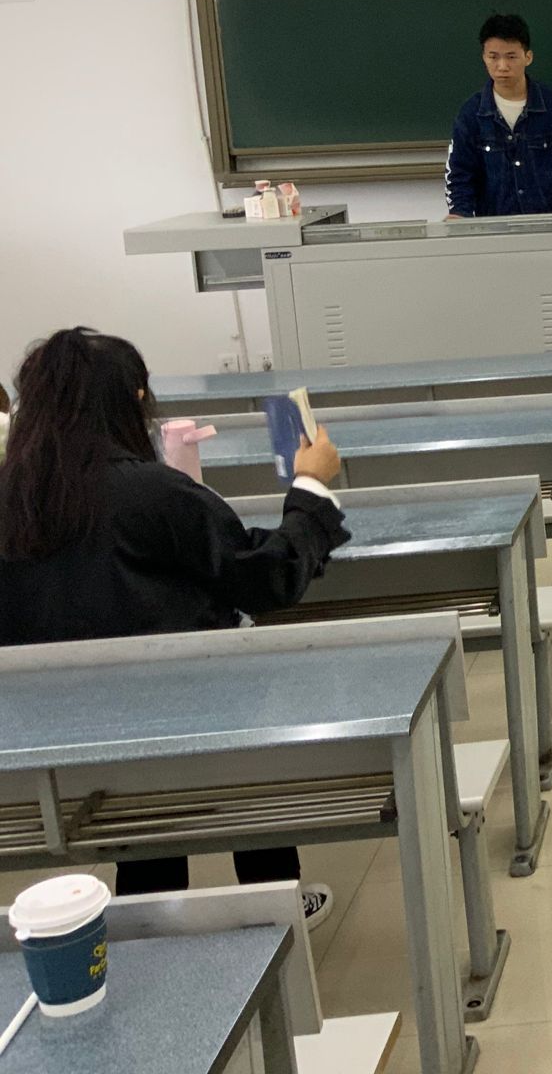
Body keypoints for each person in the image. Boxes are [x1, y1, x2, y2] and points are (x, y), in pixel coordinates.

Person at [0, 329, 351, 926]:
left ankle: (149, 921)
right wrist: (311, 488)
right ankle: (274, 906)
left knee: (139, 797)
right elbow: (266, 578)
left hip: (54, 750)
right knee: (239, 750)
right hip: (189, 729)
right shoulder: (151, 492)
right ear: (134, 399)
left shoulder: (14, 499)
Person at [444, 13, 552, 218]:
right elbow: (459, 175)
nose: (502, 66)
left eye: (511, 57)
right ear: (484, 57)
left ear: (528, 57)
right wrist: (459, 213)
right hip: (494, 228)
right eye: (493, 57)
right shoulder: (471, 114)